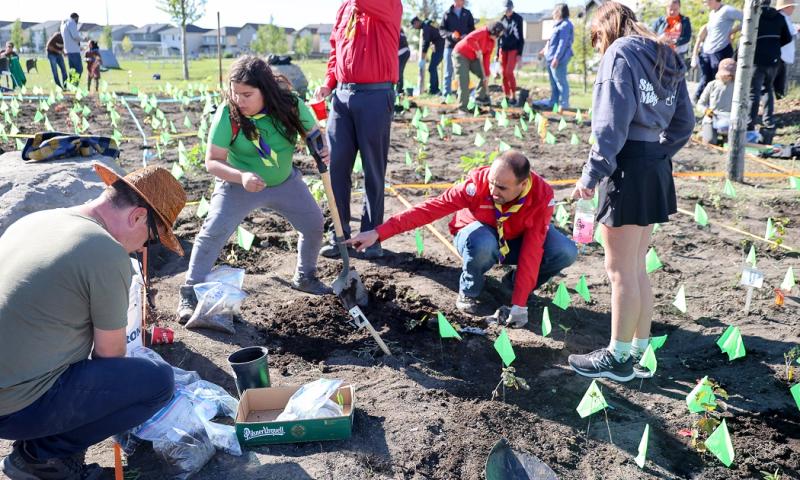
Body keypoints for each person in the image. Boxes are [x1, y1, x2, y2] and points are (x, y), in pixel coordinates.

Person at [0, 164, 184, 479]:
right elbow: (110, 357)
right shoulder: (105, 252)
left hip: (9, 386)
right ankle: (41, 457)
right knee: (156, 382)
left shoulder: (36, 220)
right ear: (137, 217)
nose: (142, 248)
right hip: (13, 406)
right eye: (151, 239)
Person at [569, 1, 694, 382]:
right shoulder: (665, 53)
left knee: (619, 270)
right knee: (637, 265)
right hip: (655, 165)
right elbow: (685, 122)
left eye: (597, 41)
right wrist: (658, 154)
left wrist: (591, 175)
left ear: (605, 31)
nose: (599, 49)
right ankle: (640, 353)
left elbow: (610, 125)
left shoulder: (619, 53)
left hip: (626, 166)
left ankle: (617, 358)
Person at [177, 56, 333, 322]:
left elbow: (314, 134)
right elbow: (212, 161)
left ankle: (305, 276)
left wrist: (322, 147)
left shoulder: (290, 105)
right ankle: (190, 292)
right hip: (239, 184)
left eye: (247, 94)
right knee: (213, 231)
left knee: (314, 223)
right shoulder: (229, 113)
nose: (240, 100)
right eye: (235, 93)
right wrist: (241, 176)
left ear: (266, 89)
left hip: (284, 181)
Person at [347, 150, 577, 324]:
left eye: (502, 188)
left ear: (523, 184)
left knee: (565, 251)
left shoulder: (541, 197)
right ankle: (470, 290)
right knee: (482, 243)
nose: (494, 192)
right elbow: (430, 209)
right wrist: (379, 233)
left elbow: (533, 249)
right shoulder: (476, 186)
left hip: (514, 240)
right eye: (492, 183)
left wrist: (519, 304)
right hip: (476, 237)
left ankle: (513, 287)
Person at [314, 0, 402, 260]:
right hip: (341, 97)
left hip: (376, 96)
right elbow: (335, 50)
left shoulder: (388, 4)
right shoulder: (345, 8)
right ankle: (339, 236)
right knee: (336, 166)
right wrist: (329, 83)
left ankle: (371, 237)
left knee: (373, 170)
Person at [748, 0, 793, 142]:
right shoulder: (779, 17)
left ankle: (750, 124)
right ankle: (769, 123)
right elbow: (787, 38)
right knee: (767, 89)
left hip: (757, 59)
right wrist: (773, 46)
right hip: (774, 60)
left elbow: (747, 38)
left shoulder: (754, 16)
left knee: (753, 93)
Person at [691, 0, 742, 102]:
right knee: (706, 78)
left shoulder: (727, 10)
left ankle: (716, 103)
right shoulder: (712, 13)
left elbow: (746, 18)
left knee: (719, 79)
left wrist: (733, 31)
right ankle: (698, 101)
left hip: (720, 50)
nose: (704, 2)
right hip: (707, 51)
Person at [453, 21, 505, 112]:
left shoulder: (492, 42)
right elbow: (469, 39)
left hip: (474, 58)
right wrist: (477, 49)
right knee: (464, 81)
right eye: (497, 35)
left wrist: (486, 74)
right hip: (461, 54)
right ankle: (462, 108)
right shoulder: (482, 32)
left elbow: (486, 58)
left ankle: (479, 98)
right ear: (493, 31)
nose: (497, 38)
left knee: (484, 76)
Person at [537, 4, 574, 110]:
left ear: (559, 12)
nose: (553, 13)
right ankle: (554, 102)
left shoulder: (565, 25)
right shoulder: (557, 25)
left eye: (554, 11)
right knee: (553, 83)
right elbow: (552, 41)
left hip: (559, 59)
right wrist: (544, 50)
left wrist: (556, 58)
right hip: (551, 57)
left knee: (560, 81)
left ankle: (564, 104)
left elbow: (563, 43)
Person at [440, 0, 476, 98]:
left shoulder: (467, 14)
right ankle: (446, 95)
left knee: (462, 72)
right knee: (448, 72)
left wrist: (466, 36)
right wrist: (451, 35)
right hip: (450, 47)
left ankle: (461, 94)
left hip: (463, 47)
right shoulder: (447, 13)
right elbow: (442, 30)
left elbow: (472, 30)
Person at [696, 58, 735, 145]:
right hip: (712, 119)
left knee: (731, 145)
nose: (725, 77)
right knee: (710, 142)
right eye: (723, 74)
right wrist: (706, 111)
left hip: (730, 121)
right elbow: (700, 104)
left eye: (728, 75)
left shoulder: (737, 87)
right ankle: (704, 134)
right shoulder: (712, 85)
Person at [497, 1, 525, 106]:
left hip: (513, 49)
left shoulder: (518, 19)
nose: (507, 11)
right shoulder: (501, 20)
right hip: (502, 49)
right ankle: (507, 96)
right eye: (505, 9)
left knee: (509, 72)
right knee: (503, 73)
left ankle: (514, 95)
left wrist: (519, 54)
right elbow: (498, 38)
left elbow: (521, 37)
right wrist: (496, 54)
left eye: (509, 8)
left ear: (512, 8)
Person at [411, 16, 446, 95]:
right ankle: (434, 89)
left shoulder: (425, 27)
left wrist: (422, 59)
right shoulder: (427, 24)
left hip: (440, 46)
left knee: (432, 68)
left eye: (414, 25)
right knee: (432, 68)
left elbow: (425, 43)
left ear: (417, 22)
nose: (414, 27)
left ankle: (434, 90)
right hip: (438, 46)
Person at [774, 0, 797, 98]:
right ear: (786, 7)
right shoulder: (782, 18)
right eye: (792, 6)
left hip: (781, 54)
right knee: (779, 81)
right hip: (781, 54)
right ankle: (779, 97)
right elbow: (788, 34)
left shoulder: (785, 17)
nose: (793, 9)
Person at [60, 12, 83, 82]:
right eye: (77, 19)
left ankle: (71, 85)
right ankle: (74, 84)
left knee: (72, 69)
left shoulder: (64, 24)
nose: (77, 21)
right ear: (75, 18)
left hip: (68, 50)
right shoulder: (72, 23)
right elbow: (75, 36)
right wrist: (83, 39)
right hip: (74, 50)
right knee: (79, 69)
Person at [398, 29, 411, 95]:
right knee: (399, 71)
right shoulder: (400, 30)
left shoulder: (397, 30)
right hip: (405, 52)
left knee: (398, 71)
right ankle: (399, 89)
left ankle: (399, 90)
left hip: (402, 52)